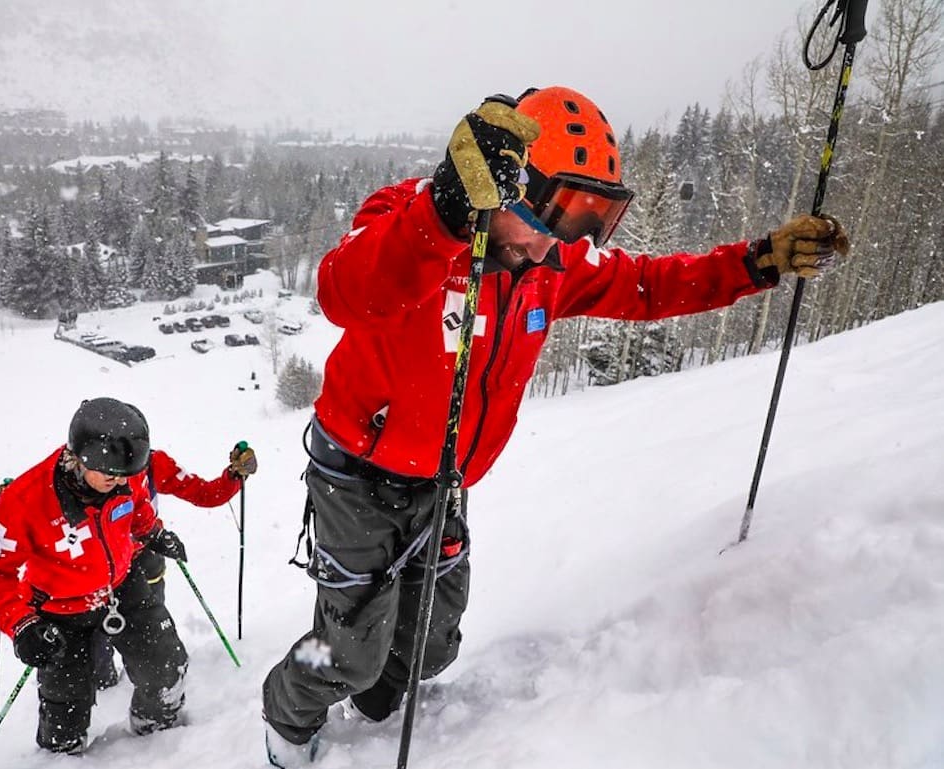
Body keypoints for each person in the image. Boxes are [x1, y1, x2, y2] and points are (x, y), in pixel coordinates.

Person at [260, 86, 850, 767]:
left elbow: (648, 285)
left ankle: (374, 704)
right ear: (508, 189)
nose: (565, 241)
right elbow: (345, 289)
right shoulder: (411, 216)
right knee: (349, 654)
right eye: (561, 213)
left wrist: (757, 262)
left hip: (446, 483)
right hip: (357, 478)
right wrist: (445, 215)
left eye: (593, 220)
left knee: (432, 643)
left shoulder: (549, 264)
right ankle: (288, 717)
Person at [0, 397, 257, 754]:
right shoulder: (25, 501)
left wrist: (152, 532)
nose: (118, 480)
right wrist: (22, 624)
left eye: (125, 474)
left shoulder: (127, 474)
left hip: (122, 586)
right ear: (78, 458)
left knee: (166, 668)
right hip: (59, 610)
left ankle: (158, 738)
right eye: (109, 473)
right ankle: (63, 755)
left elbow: (135, 509)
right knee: (66, 710)